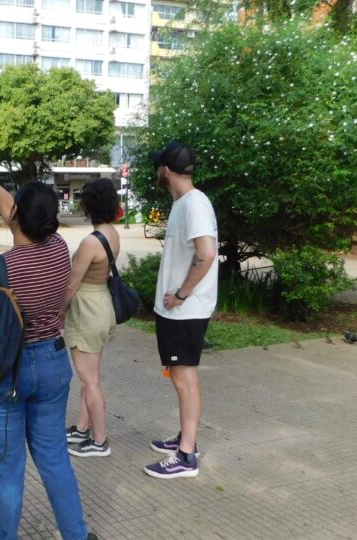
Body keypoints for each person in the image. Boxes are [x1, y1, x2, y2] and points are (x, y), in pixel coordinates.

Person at [0, 150, 94, 540]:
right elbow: (17, 211)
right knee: (54, 460)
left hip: (8, 375)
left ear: (15, 214)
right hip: (52, 363)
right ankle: (76, 535)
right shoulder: (59, 248)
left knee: (7, 468)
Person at [144, 141, 218, 479]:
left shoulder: (194, 204)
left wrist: (182, 294)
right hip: (176, 311)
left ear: (167, 171)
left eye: (159, 167)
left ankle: (186, 456)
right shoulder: (183, 203)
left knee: (184, 380)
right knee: (181, 379)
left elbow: (207, 252)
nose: (157, 172)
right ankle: (186, 438)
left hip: (185, 312)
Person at [61, 179, 120, 458]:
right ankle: (82, 428)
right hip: (102, 305)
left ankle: (99, 441)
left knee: (89, 380)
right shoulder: (113, 233)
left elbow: (71, 285)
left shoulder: (90, 242)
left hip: (87, 309)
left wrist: (59, 313)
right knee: (91, 376)